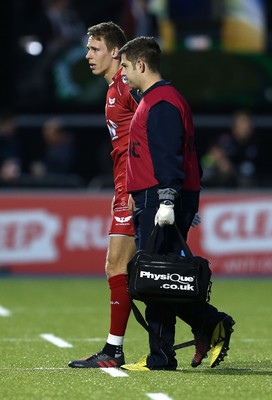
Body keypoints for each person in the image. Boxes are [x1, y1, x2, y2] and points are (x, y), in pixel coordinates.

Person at [117, 36, 235, 370]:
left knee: (155, 277)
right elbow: (185, 154)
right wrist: (182, 198)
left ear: (141, 64)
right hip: (161, 195)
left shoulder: (161, 102)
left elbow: (169, 155)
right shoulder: (162, 99)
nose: (123, 73)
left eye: (125, 66)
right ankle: (200, 330)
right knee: (161, 277)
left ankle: (170, 351)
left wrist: (169, 199)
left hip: (161, 196)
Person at [68, 22, 138, 368]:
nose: (87, 56)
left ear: (115, 51)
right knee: (133, 269)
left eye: (94, 49)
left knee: (118, 266)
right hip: (126, 187)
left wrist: (138, 186)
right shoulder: (114, 88)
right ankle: (203, 325)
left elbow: (153, 131)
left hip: (136, 189)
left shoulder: (127, 85)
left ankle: (113, 351)